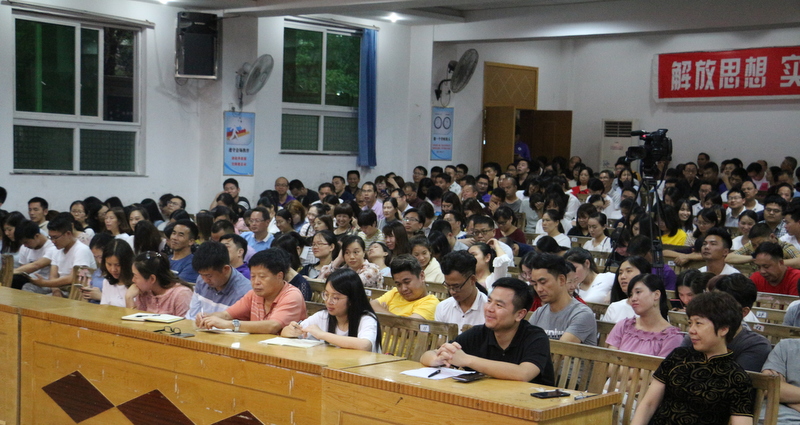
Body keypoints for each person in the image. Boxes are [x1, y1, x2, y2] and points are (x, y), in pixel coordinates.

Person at [631, 292, 753, 425]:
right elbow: (649, 404)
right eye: (690, 323)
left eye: (698, 323)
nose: (691, 330)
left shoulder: (736, 377)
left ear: (723, 329)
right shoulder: (679, 356)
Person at [421, 277, 554, 384]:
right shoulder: (478, 333)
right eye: (489, 301)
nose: (489, 308)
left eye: (499, 305)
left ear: (520, 314)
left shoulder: (535, 337)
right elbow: (427, 356)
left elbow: (523, 373)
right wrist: (437, 359)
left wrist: (467, 360)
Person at [196, 249, 307, 334]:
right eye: (253, 276)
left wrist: (228, 324)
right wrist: (208, 318)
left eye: (262, 277)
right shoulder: (254, 294)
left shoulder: (292, 295)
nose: (256, 282)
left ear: (279, 276)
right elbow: (226, 315)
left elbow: (272, 326)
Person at [281, 268, 380, 352]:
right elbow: (285, 332)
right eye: (326, 295)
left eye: (335, 297)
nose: (329, 301)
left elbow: (364, 345)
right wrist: (291, 330)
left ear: (351, 299)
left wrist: (322, 334)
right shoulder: (323, 316)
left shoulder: (366, 319)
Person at [527, 253, 597, 345]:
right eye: (535, 284)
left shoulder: (582, 314)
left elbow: (561, 350)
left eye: (543, 282)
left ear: (561, 280)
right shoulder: (539, 313)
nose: (539, 289)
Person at [606, 274, 682, 357]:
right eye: (630, 295)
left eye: (638, 292)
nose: (633, 298)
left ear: (656, 295)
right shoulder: (623, 326)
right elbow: (610, 359)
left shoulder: (671, 337)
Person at [22, 213, 96, 296]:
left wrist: (44, 283)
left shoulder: (81, 250)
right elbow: (53, 276)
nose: (53, 241)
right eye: (51, 237)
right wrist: (56, 291)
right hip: (59, 288)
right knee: (28, 287)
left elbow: (73, 278)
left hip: (76, 291)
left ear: (68, 234)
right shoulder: (56, 249)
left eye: (55, 237)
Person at [185, 241, 251, 320]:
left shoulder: (245, 291)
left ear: (225, 269)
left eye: (209, 276)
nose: (205, 280)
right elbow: (191, 316)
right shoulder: (201, 279)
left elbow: (239, 325)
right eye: (201, 274)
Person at [370, 254, 439, 320]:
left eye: (407, 282)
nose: (403, 289)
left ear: (421, 276)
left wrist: (384, 314)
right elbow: (372, 305)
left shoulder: (431, 302)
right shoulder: (395, 292)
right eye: (398, 284)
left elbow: (408, 325)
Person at [126, 251, 192, 316]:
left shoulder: (181, 294)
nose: (133, 280)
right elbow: (134, 321)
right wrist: (129, 298)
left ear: (152, 279)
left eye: (136, 276)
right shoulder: (143, 291)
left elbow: (185, 323)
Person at [435, 251, 487, 331]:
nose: (452, 292)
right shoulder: (443, 307)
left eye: (457, 286)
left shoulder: (488, 310)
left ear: (472, 280)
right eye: (448, 286)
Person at [601, 256, 652, 323]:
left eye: (629, 271)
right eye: (620, 273)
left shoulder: (653, 308)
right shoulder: (614, 307)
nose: (622, 276)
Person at [762, 339, 800, 424]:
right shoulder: (786, 346)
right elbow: (768, 386)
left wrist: (787, 397)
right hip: (772, 416)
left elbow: (776, 389)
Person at [12, 220, 57, 290]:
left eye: (26, 242)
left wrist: (10, 272)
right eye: (23, 243)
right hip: (30, 279)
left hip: (45, 283)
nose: (25, 245)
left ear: (37, 236)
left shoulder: (53, 247)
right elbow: (23, 269)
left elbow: (36, 265)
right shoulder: (24, 247)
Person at [96, 239, 135, 307]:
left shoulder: (138, 284)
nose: (113, 269)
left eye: (118, 265)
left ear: (128, 263)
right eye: (109, 264)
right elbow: (103, 308)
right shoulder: (107, 282)